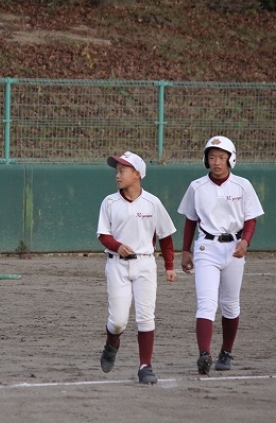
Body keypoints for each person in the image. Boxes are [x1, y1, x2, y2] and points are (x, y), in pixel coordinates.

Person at [177, 135, 264, 374]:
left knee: (230, 304)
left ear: (231, 159)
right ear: (206, 159)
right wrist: (185, 251)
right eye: (212, 157)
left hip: (234, 247)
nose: (216, 162)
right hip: (207, 246)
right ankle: (204, 354)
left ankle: (226, 352)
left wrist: (246, 240)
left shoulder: (242, 185)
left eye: (222, 157)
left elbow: (251, 219)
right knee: (206, 303)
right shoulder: (197, 186)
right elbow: (190, 220)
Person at [97, 151, 177, 385]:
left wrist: (169, 266)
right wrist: (117, 246)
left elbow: (165, 236)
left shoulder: (153, 203)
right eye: (117, 170)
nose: (118, 175)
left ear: (137, 174)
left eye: (123, 170)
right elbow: (103, 235)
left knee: (146, 317)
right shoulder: (110, 202)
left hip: (145, 264)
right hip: (117, 265)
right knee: (118, 321)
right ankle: (112, 344)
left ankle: (145, 366)